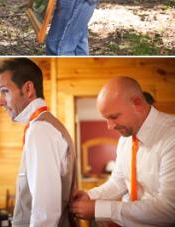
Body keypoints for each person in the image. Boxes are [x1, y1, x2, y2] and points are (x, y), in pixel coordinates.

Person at [70, 76, 175, 225]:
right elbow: (119, 182)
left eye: (113, 117)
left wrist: (99, 209)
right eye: (106, 119)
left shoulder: (171, 136)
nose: (110, 126)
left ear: (137, 103)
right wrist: (90, 196)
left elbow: (170, 209)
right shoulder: (125, 139)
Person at [0, 58, 75, 226]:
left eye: (5, 91)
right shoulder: (45, 125)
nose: (0, 102)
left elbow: (45, 213)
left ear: (28, 89)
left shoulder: (40, 130)